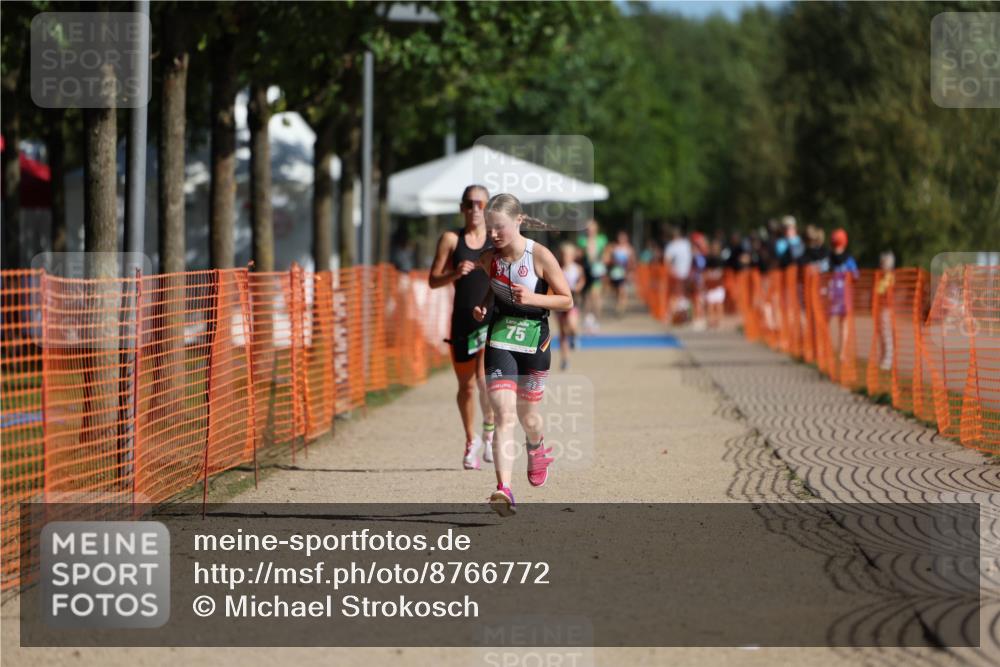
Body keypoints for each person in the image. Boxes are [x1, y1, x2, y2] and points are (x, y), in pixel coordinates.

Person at [471, 194, 574, 517]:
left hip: (534, 340)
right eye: (489, 229)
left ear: (518, 221)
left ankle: (536, 445)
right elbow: (494, 285)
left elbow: (566, 300)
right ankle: (504, 490)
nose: (494, 235)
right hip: (501, 336)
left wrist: (532, 298)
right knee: (503, 414)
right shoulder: (489, 258)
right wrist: (485, 305)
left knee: (528, 418)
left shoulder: (540, 256)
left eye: (499, 227)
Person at [428, 185, 496, 470]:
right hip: (462, 319)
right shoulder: (451, 239)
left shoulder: (496, 239)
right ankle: (472, 441)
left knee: (484, 380)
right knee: (466, 386)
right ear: (462, 208)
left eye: (481, 204)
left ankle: (489, 434)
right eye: (470, 204)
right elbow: (433, 280)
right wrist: (455, 274)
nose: (475, 209)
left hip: (490, 316)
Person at [827, 228, 860, 364]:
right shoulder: (849, 259)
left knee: (826, 322)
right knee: (843, 324)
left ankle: (826, 349)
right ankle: (842, 353)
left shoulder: (828, 259)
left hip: (831, 294)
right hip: (844, 295)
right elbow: (856, 275)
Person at [557, 242, 584, 371]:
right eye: (563, 255)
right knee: (562, 333)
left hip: (573, 302)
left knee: (572, 324)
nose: (565, 257)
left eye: (567, 255)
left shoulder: (577, 268)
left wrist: (578, 287)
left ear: (573, 256)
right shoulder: (557, 268)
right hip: (560, 303)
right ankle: (565, 359)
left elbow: (582, 280)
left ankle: (574, 335)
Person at [576, 219, 608, 332]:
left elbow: (605, 255)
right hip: (586, 271)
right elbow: (579, 256)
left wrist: (603, 265)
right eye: (588, 229)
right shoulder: (582, 240)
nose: (590, 231)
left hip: (597, 271)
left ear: (596, 229)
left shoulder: (602, 240)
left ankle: (596, 319)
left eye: (592, 228)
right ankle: (588, 318)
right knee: (586, 296)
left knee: (596, 295)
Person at [664, 226, 693, 324]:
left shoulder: (675, 245)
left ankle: (683, 316)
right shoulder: (684, 244)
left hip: (682, 274)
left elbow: (667, 261)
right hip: (680, 274)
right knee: (680, 295)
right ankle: (677, 316)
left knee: (680, 295)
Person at [604, 230, 635, 318]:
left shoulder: (629, 249)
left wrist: (630, 272)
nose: (622, 239)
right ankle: (619, 304)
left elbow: (632, 262)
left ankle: (621, 309)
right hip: (615, 274)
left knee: (622, 291)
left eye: (623, 238)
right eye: (620, 238)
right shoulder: (614, 248)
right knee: (617, 292)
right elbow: (608, 259)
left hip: (624, 273)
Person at [875, 250, 896, 371]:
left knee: (886, 334)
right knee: (882, 334)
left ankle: (888, 360)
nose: (881, 266)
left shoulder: (889, 276)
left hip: (886, 309)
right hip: (881, 308)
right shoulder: (882, 276)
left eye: (884, 264)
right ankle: (883, 358)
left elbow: (880, 290)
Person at [703, 238, 727, 329]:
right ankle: (711, 320)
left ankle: (718, 321)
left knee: (718, 303)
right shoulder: (708, 258)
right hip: (710, 284)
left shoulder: (721, 259)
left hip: (718, 284)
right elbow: (706, 271)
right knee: (710, 304)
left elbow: (722, 271)